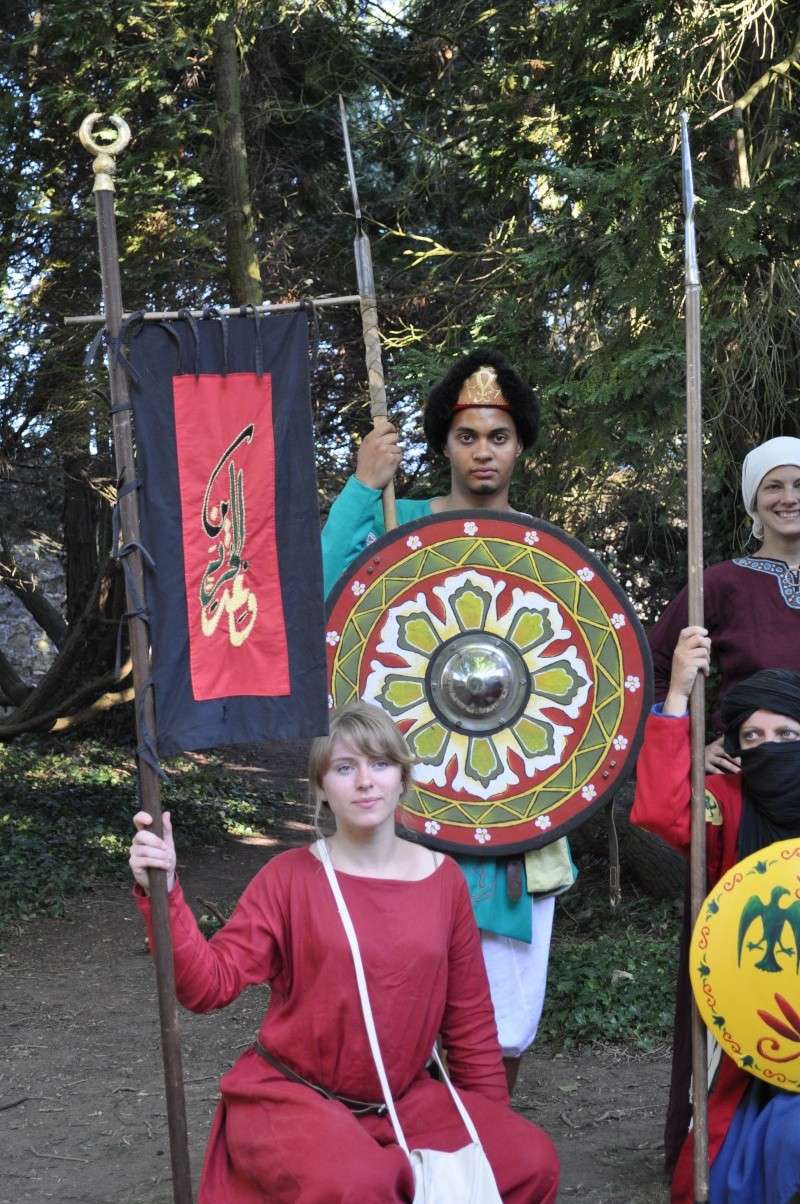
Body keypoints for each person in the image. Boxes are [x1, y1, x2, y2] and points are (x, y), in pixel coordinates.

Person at [129, 701, 560, 1204]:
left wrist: (487, 1130)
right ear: (320, 787)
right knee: (356, 1187)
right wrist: (167, 890)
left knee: (528, 1162)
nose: (365, 781)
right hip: (294, 1096)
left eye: (380, 764)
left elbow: (470, 1027)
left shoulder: (444, 881)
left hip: (402, 1100)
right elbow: (207, 986)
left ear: (403, 779)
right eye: (344, 767)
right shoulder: (289, 878)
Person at [322, 348, 576, 1093]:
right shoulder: (402, 528)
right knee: (405, 1012)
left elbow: (575, 681)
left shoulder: (544, 551)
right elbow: (332, 591)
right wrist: (364, 486)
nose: (483, 451)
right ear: (443, 446)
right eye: (468, 437)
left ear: (520, 444)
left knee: (505, 1023)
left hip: (517, 805)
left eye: (498, 436)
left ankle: (490, 1143)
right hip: (414, 808)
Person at [631, 628, 800, 1204]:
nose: (768, 745)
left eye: (786, 734)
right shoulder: (727, 802)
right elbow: (661, 810)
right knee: (731, 1159)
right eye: (753, 735)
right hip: (758, 1022)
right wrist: (677, 692)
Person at [649, 435, 800, 774]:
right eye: (773, 486)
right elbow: (651, 666)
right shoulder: (720, 583)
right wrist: (690, 748)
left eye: (799, 484)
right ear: (754, 500)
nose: (789, 498)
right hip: (749, 780)